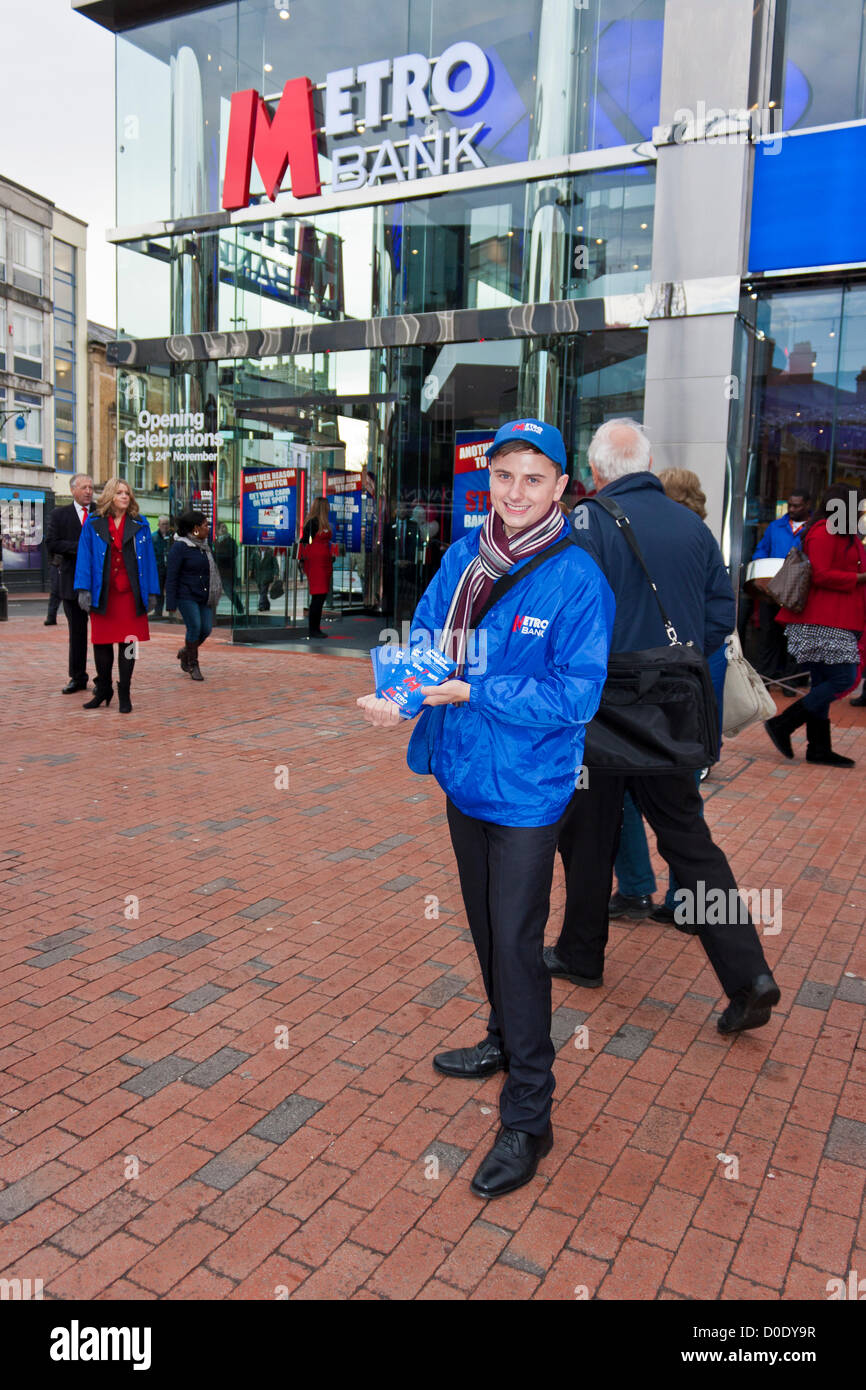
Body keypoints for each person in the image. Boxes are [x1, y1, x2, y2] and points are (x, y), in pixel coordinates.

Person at [358, 419, 614, 1200]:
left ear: (562, 487)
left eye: (533, 478)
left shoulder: (577, 579)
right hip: (464, 775)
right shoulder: (465, 556)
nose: (514, 492)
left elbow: (576, 695)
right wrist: (396, 696)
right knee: (485, 929)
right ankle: (504, 1038)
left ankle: (529, 1114)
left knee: (516, 944)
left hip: (531, 791)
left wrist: (476, 688)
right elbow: (430, 638)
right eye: (504, 475)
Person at [549, 419, 780, 1036]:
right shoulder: (692, 526)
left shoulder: (583, 524)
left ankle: (580, 953)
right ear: (650, 463)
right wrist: (669, 664)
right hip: (670, 716)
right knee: (691, 845)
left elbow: (565, 619)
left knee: (587, 836)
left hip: (599, 713)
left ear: (596, 472)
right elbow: (718, 618)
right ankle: (748, 974)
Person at [610, 467, 728, 926]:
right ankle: (686, 902)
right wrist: (693, 655)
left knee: (623, 792)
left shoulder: (624, 530)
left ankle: (637, 887)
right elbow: (721, 612)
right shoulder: (700, 535)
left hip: (635, 687)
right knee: (684, 805)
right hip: (691, 691)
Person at [764, 484, 866, 767]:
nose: (859, 511)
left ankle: (819, 748)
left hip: (835, 618)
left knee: (823, 681)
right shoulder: (823, 531)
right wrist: (859, 579)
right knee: (843, 679)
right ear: (841, 507)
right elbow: (820, 574)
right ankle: (783, 724)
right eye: (856, 506)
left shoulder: (844, 534)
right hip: (822, 619)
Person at [73, 477, 160, 714]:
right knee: (101, 643)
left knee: (129, 644)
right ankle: (104, 689)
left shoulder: (140, 523)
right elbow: (84, 558)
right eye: (120, 492)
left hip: (131, 595)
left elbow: (150, 561)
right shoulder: (93, 523)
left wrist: (152, 591)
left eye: (127, 493)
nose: (125, 496)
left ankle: (125, 691)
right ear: (110, 495)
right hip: (104, 593)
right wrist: (83, 589)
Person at [751, 491, 811, 679]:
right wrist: (761, 570)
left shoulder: (813, 529)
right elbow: (761, 550)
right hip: (773, 589)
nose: (791, 509)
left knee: (793, 637)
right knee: (769, 635)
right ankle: (766, 676)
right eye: (790, 505)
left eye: (797, 506)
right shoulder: (776, 527)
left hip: (796, 590)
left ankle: (790, 680)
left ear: (807, 505)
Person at [44, 473, 94, 693]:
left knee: (104, 632)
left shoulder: (100, 514)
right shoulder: (60, 514)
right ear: (73, 490)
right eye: (84, 487)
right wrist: (80, 548)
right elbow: (52, 543)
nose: (88, 491)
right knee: (78, 633)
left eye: (91, 487)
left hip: (99, 582)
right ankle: (78, 677)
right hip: (72, 582)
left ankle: (103, 679)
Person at [164, 509, 222, 682]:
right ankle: (192, 664)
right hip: (186, 594)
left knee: (206, 629)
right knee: (195, 627)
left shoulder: (204, 547)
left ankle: (186, 651)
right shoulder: (180, 547)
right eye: (205, 525)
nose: (208, 528)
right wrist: (171, 603)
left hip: (203, 595)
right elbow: (172, 576)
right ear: (195, 528)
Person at [298, 498, 337, 639]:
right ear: (322, 507)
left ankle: (315, 628)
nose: (329, 508)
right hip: (316, 562)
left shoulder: (323, 522)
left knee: (321, 595)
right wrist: (302, 561)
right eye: (327, 506)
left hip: (324, 561)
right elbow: (304, 542)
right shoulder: (313, 522)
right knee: (318, 596)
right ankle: (313, 629)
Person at [214, 522, 244, 615]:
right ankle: (211, 612)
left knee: (229, 592)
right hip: (215, 571)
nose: (224, 529)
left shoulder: (231, 541)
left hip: (226, 571)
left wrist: (216, 556)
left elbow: (232, 555)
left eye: (225, 527)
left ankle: (240, 609)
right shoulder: (215, 542)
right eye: (222, 528)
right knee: (212, 592)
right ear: (217, 531)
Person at [151, 518, 173, 619]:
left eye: (167, 524)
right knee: (159, 590)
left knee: (170, 590)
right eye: (163, 524)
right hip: (159, 567)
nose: (165, 526)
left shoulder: (172, 537)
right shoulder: (154, 537)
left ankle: (171, 612)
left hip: (169, 567)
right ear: (159, 525)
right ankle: (158, 611)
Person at [249, 545, 278, 611]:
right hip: (258, 575)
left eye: (263, 546)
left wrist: (276, 573)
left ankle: (261, 606)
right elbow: (251, 562)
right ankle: (267, 605)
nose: (261, 547)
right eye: (260, 546)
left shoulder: (271, 552)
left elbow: (275, 564)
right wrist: (250, 570)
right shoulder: (255, 552)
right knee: (262, 591)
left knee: (263, 590)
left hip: (267, 575)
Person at [44, 548, 61, 625]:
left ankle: (51, 617)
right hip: (57, 564)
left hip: (59, 564)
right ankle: (51, 617)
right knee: (55, 591)